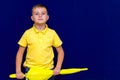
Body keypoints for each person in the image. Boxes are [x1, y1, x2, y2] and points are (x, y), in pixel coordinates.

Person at [15, 4, 64, 80]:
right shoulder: (27, 33)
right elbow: (20, 53)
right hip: (31, 70)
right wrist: (18, 71)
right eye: (37, 14)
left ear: (47, 17)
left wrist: (58, 67)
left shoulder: (52, 33)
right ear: (32, 18)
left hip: (48, 70)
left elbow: (61, 52)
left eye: (43, 13)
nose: (40, 16)